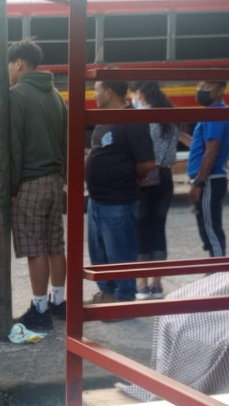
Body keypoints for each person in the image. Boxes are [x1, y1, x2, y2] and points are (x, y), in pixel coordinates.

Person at [6, 40, 68, 331]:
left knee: (35, 247)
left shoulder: (16, 96)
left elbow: (15, 148)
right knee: (56, 243)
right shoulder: (57, 95)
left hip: (30, 181)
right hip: (56, 180)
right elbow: (67, 143)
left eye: (9, 65)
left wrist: (12, 187)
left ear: (18, 63)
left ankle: (40, 309)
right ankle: (59, 301)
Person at [86, 81, 155, 304]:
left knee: (120, 252)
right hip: (97, 199)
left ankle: (123, 297)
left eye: (96, 90)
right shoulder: (104, 119)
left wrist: (121, 178)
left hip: (118, 201)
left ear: (108, 91)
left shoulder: (132, 120)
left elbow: (145, 163)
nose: (94, 94)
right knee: (100, 251)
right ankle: (107, 291)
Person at [129, 82, 180, 299]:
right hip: (166, 177)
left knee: (140, 230)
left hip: (144, 179)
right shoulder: (169, 116)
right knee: (158, 229)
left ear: (139, 93)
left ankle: (141, 285)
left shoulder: (141, 118)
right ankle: (156, 285)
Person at [186, 81, 229, 257]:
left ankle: (218, 271)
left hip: (209, 180)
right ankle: (215, 268)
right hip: (209, 180)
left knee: (211, 231)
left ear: (220, 90)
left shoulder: (215, 113)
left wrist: (198, 182)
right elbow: (201, 147)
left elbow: (211, 151)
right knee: (208, 228)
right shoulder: (213, 113)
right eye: (199, 85)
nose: (200, 90)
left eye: (207, 87)